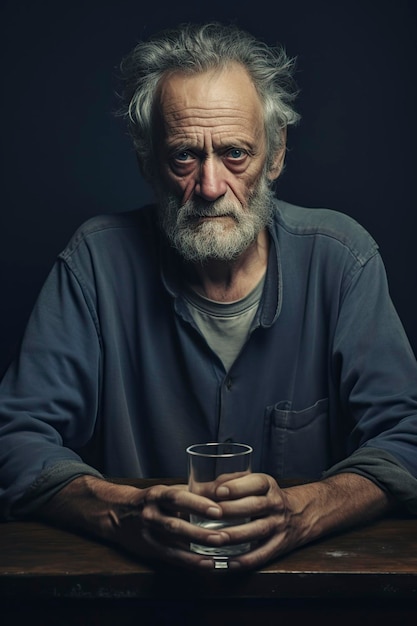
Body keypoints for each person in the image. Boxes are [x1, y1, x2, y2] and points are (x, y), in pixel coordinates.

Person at [0, 22, 416, 573]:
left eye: (236, 153)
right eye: (183, 157)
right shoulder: (95, 263)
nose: (212, 185)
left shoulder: (342, 259)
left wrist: (302, 510)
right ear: (149, 163)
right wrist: (125, 512)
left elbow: (407, 435)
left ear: (275, 155)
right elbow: (15, 438)